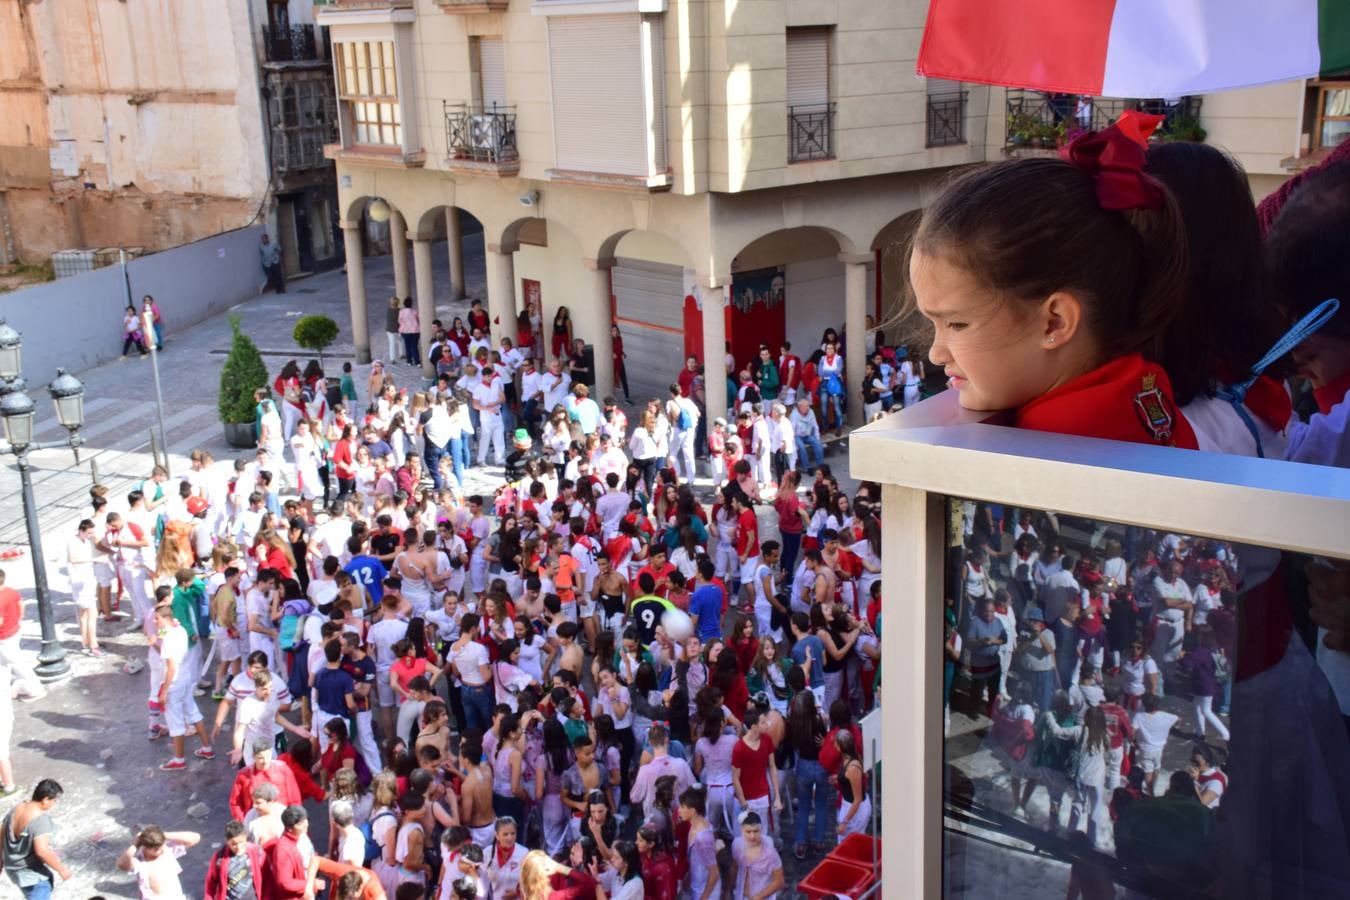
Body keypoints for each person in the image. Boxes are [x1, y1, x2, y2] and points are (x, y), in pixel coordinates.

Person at [910, 111, 1195, 448]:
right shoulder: (1139, 385)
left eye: (956, 324)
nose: (936, 354)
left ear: (1054, 322)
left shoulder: (1049, 450)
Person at [2, 780, 72, 899]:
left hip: (13, 870)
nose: (53, 804)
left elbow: (2, 831)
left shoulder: (18, 807)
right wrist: (62, 870)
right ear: (45, 799)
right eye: (54, 800)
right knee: (42, 888)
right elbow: (42, 851)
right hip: (31, 876)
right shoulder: (40, 821)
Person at [117, 825, 201, 899]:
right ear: (146, 848)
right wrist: (135, 844)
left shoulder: (166, 850)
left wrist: (162, 835)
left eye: (162, 845)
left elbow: (195, 838)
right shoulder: (140, 862)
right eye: (157, 849)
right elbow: (121, 864)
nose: (161, 850)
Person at [203, 820, 265, 900]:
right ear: (227, 841)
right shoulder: (220, 858)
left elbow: (265, 874)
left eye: (241, 842)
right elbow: (211, 882)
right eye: (234, 844)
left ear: (245, 837)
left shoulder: (255, 851)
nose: (238, 847)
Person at [729, 811, 784, 900]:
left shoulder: (770, 852)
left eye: (755, 831)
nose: (752, 836)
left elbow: (779, 881)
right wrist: (728, 891)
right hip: (740, 895)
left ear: (761, 830)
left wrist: (757, 898)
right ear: (742, 830)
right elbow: (734, 867)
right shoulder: (737, 844)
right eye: (748, 831)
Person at [264, 806, 313, 900]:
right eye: (301, 823)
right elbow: (285, 883)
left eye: (306, 820)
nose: (306, 824)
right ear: (289, 828)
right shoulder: (283, 850)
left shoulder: (301, 835)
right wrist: (311, 883)